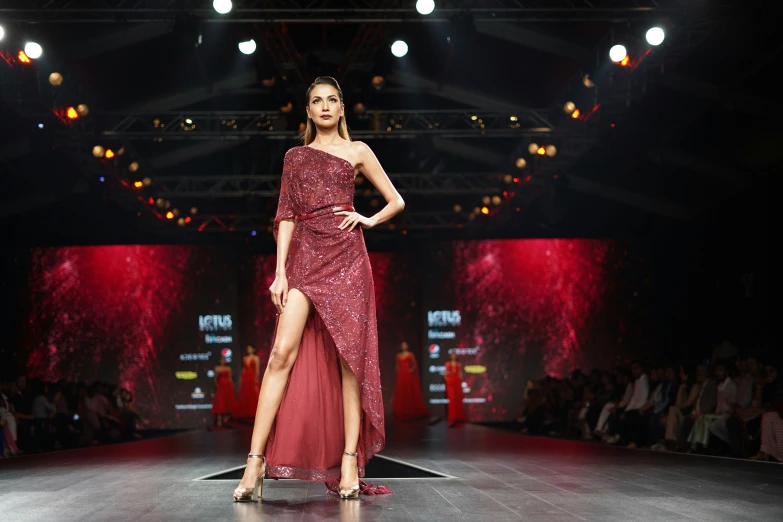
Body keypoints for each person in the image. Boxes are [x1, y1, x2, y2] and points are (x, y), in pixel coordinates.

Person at [233, 76, 403, 502]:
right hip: (305, 260)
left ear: (341, 108)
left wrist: (368, 219)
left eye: (331, 100)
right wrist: (280, 272)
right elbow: (286, 215)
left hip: (348, 259)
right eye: (316, 101)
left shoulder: (357, 151)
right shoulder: (296, 156)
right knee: (279, 354)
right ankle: (254, 461)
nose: (324, 106)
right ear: (307, 111)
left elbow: (396, 200)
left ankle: (349, 461)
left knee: (349, 362)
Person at [392, 341, 430, 421]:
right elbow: (397, 365)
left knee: (409, 391)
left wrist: (411, 370)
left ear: (407, 346)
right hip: (401, 375)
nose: (404, 346)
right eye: (403, 345)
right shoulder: (398, 355)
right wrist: (399, 372)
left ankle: (410, 410)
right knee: (401, 392)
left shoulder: (410, 354)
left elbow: (414, 364)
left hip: (408, 375)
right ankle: (402, 411)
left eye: (405, 345)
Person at [235, 345, 261, 419]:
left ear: (253, 349)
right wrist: (241, 378)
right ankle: (245, 413)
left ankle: (254, 413)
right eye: (248, 349)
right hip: (246, 377)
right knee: (245, 393)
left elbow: (257, 369)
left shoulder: (256, 358)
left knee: (253, 393)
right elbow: (243, 369)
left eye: (250, 348)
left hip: (252, 376)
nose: (248, 350)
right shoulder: (245, 358)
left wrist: (256, 378)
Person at [211, 356, 237, 428]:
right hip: (221, 386)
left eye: (224, 360)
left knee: (227, 402)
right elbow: (215, 379)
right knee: (220, 403)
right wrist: (217, 386)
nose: (223, 361)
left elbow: (230, 378)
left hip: (228, 386)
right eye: (222, 360)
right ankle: (219, 420)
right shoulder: (217, 368)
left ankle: (225, 419)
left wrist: (232, 387)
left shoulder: (228, 368)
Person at [444, 352, 467, 427]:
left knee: (457, 398)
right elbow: (445, 373)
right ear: (450, 356)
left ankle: (458, 417)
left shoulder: (459, 364)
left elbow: (460, 373)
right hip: (451, 381)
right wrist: (447, 379)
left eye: (454, 355)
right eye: (452, 355)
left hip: (457, 381)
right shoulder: (447, 363)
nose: (453, 356)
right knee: (452, 399)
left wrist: (460, 380)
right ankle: (452, 417)